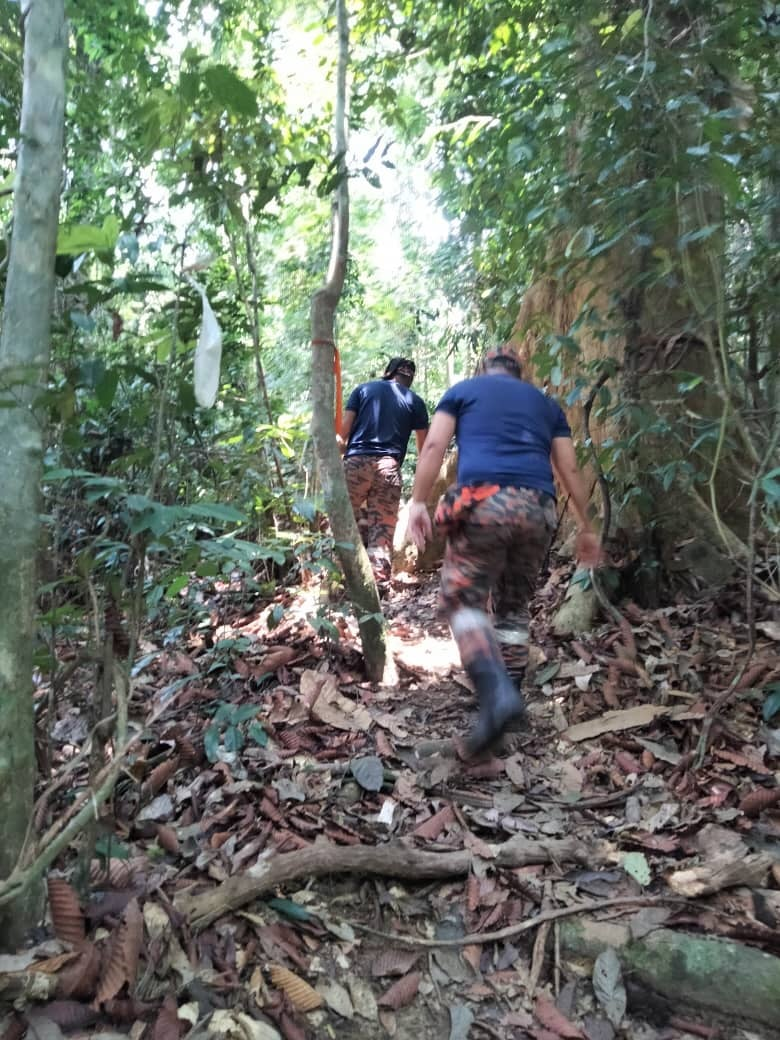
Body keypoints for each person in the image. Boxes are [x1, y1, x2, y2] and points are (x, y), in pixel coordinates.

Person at [407, 344, 601, 756]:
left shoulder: (463, 391)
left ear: (484, 368)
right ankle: (509, 703)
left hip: (484, 504)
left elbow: (433, 447)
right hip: (538, 508)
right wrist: (587, 525)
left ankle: (495, 696)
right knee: (513, 608)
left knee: (463, 602)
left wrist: (418, 501)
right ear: (520, 372)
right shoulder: (546, 405)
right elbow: (568, 468)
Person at [339, 357, 429, 588]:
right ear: (410, 379)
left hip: (355, 463)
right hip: (389, 467)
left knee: (343, 523)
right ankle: (377, 588)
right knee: (382, 531)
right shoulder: (415, 402)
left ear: (388, 372)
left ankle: (343, 581)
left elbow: (342, 436)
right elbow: (424, 451)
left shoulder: (363, 389)